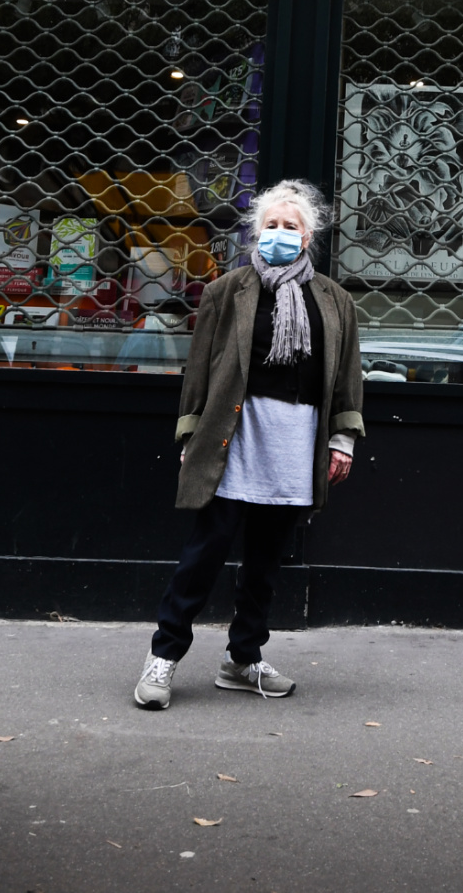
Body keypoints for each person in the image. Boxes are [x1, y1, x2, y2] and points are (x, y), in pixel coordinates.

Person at [135, 180, 366, 709]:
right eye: (271, 225)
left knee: (265, 562)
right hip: (232, 439)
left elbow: (348, 376)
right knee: (204, 554)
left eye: (291, 227)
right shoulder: (226, 291)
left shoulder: (334, 301)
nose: (279, 235)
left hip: (295, 442)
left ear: (308, 238)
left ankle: (243, 659)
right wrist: (190, 435)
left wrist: (343, 439)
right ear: (255, 231)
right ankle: (163, 657)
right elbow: (199, 371)